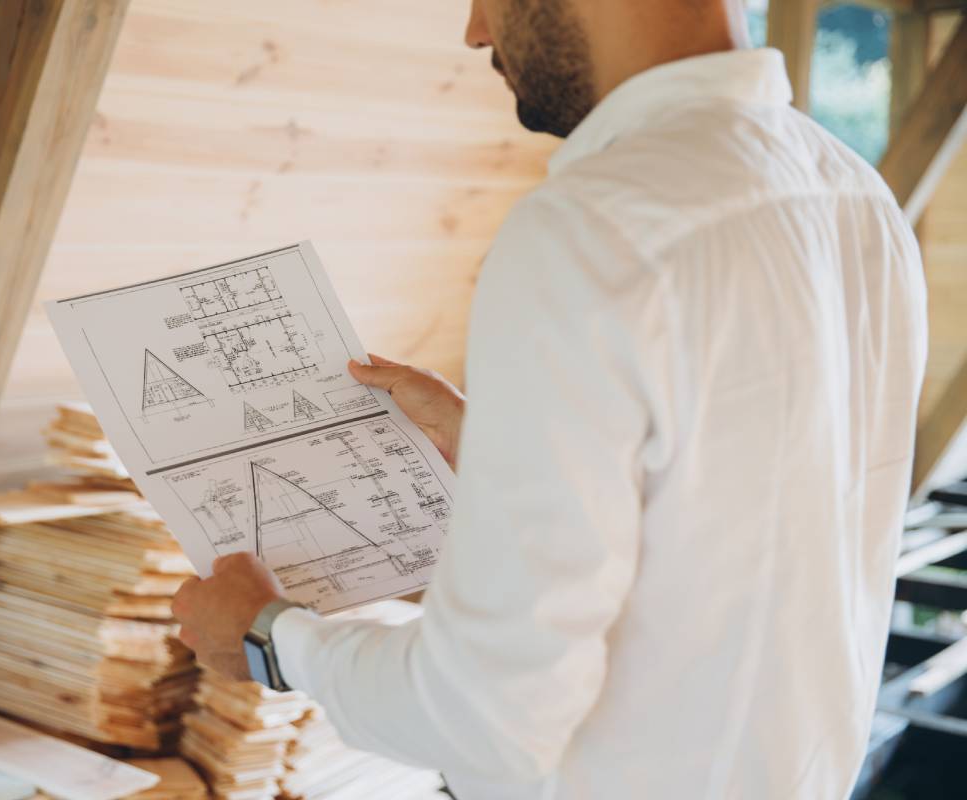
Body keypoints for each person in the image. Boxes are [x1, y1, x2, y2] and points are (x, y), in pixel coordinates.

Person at [172, 0, 928, 796]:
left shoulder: (589, 229)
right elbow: (731, 509)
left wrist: (266, 636)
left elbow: (482, 713)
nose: (474, 31)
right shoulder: (859, 200)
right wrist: (493, 439)